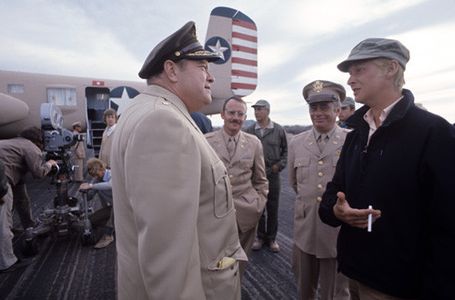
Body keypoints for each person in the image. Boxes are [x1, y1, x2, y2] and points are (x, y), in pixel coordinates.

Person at [110, 21, 246, 299]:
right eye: (203, 68)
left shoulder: (148, 111)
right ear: (172, 70)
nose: (211, 78)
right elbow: (167, 257)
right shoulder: (162, 122)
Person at [319, 38, 455, 299]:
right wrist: (337, 211)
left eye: (359, 70)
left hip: (399, 284)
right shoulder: (356, 134)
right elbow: (333, 192)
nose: (350, 80)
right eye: (350, 73)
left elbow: (447, 224)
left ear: (391, 68)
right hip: (353, 273)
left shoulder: (433, 133)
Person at [289, 80, 350, 300]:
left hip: (336, 232)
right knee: (304, 288)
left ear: (338, 110)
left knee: (335, 292)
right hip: (305, 228)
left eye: (324, 107)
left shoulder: (351, 140)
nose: (318, 113)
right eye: (313, 108)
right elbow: (294, 183)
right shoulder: (296, 142)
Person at [205, 96, 268, 276]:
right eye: (232, 113)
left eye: (240, 114)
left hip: (246, 214)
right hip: (214, 213)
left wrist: (258, 204)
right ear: (222, 114)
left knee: (238, 264)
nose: (236, 117)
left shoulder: (254, 143)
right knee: (214, 263)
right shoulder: (206, 141)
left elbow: (261, 180)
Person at [246, 99, 288, 252]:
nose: (257, 112)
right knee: (259, 208)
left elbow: (285, 152)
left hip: (273, 175)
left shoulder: (278, 130)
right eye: (255, 109)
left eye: (260, 109)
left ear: (268, 111)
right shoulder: (250, 131)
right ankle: (260, 237)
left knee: (273, 208)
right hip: (255, 176)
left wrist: (279, 166)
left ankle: (272, 239)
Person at [0, 127, 57, 230]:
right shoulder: (31, 147)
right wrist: (49, 164)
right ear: (39, 140)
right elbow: (39, 173)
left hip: (9, 173)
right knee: (4, 217)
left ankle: (29, 225)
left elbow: (13, 163)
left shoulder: (14, 142)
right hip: (3, 178)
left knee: (22, 199)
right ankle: (7, 238)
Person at [79, 158, 114, 249]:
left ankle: (108, 235)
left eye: (96, 174)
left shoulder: (111, 175)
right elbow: (90, 196)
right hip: (110, 208)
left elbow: (110, 185)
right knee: (91, 221)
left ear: (102, 169)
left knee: (115, 210)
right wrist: (84, 192)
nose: (95, 177)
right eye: (93, 175)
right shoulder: (97, 179)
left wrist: (91, 186)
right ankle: (117, 227)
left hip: (124, 207)